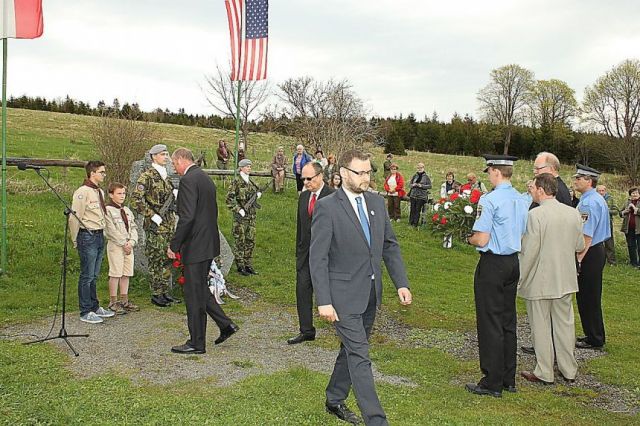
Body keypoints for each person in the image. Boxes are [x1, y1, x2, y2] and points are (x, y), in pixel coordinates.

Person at [310, 149, 412, 425]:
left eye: (369, 172)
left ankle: (334, 397)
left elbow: (389, 246)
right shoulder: (327, 207)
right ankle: (376, 420)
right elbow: (317, 258)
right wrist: (324, 300)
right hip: (341, 297)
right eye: (360, 172)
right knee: (360, 356)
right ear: (343, 173)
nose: (366, 177)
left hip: (370, 294)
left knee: (351, 348)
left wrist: (400, 282)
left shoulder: (376, 204)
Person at [465, 155, 529, 398]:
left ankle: (491, 381)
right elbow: (522, 231)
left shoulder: (489, 199)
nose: (488, 175)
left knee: (490, 320)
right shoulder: (522, 199)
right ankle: (507, 378)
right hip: (513, 260)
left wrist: (467, 237)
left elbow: (481, 238)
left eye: (489, 171)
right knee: (507, 320)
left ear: (495, 172)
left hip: (493, 262)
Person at [168, 148, 238, 354]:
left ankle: (196, 343)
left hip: (196, 246)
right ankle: (226, 325)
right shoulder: (205, 178)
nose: (174, 168)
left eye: (174, 164)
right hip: (207, 244)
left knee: (193, 295)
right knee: (200, 290)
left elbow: (187, 217)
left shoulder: (189, 180)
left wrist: (174, 244)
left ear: (181, 160)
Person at [518, 173, 585, 385]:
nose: (531, 191)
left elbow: (529, 252)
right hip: (565, 279)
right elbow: (579, 246)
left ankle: (544, 371)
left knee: (541, 326)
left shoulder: (535, 215)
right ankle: (569, 370)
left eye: (533, 188)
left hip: (540, 280)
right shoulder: (573, 213)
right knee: (565, 325)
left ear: (540, 189)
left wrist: (519, 278)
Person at [287, 162, 335, 345]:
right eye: (303, 179)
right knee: (303, 290)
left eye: (309, 178)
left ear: (320, 176)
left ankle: (345, 329)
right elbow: (301, 227)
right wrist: (299, 252)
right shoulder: (303, 197)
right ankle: (306, 330)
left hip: (328, 256)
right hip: (306, 255)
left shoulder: (334, 196)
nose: (306, 182)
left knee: (335, 292)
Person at [131, 144, 179, 307]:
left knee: (167, 259)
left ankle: (165, 292)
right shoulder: (147, 176)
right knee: (156, 260)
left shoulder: (166, 177)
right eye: (163, 154)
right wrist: (152, 216)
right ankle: (156, 294)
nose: (166, 157)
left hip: (169, 225)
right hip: (155, 227)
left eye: (167, 154)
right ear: (154, 157)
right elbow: (136, 200)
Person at [69, 161, 115, 324]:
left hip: (98, 234)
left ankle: (95, 307)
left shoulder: (99, 192)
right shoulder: (82, 192)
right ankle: (85, 310)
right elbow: (75, 217)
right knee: (87, 275)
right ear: (92, 173)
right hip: (87, 235)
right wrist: (75, 239)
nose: (104, 175)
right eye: (101, 172)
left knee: (94, 274)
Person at [573, 164, 611, 350]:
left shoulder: (589, 202)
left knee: (588, 296)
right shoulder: (595, 198)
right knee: (588, 296)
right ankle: (593, 334)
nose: (575, 181)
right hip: (596, 250)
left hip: (590, 251)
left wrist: (579, 259)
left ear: (589, 181)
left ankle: (595, 337)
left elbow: (586, 234)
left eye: (578, 178)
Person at [104, 182, 139, 314]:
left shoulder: (127, 210)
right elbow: (110, 230)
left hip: (128, 246)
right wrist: (124, 243)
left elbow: (134, 227)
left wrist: (132, 242)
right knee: (116, 273)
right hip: (116, 246)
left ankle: (124, 299)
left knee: (126, 273)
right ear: (111, 195)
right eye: (119, 193)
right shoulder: (107, 210)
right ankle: (113, 301)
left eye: (124, 193)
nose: (122, 196)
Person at [226, 158, 261, 276]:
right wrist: (238, 209)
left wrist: (257, 195)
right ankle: (240, 265)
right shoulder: (236, 182)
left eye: (250, 166)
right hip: (240, 218)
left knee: (250, 240)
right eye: (247, 166)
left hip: (251, 217)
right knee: (240, 240)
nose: (249, 168)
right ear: (241, 168)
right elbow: (229, 199)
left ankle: (248, 264)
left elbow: (255, 193)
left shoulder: (251, 182)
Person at [597, 184, 617, 265]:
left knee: (609, 242)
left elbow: (615, 211)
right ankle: (599, 260)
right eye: (599, 191)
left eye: (603, 190)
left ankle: (611, 261)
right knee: (598, 242)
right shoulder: (594, 199)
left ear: (605, 191)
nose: (601, 192)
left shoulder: (610, 199)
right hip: (597, 223)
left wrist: (606, 210)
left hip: (608, 223)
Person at [621, 187, 640, 267]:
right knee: (631, 246)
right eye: (632, 193)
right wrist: (625, 211)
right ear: (630, 195)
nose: (634, 194)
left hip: (639, 229)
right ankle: (633, 263)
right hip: (629, 228)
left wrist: (636, 210)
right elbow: (620, 213)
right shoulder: (627, 202)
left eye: (636, 193)